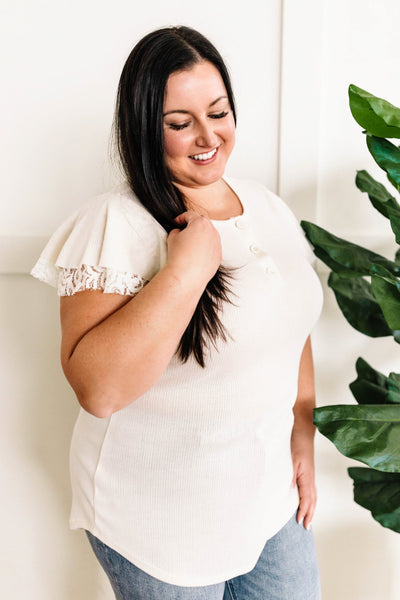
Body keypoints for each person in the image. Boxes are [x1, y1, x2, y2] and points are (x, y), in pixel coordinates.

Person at [31, 25, 323, 600]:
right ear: (145, 126)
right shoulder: (115, 221)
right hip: (160, 519)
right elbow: (98, 390)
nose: (208, 136)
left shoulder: (268, 207)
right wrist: (185, 273)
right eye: (179, 122)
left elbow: (292, 327)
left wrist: (302, 431)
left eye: (218, 112)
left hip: (267, 497)